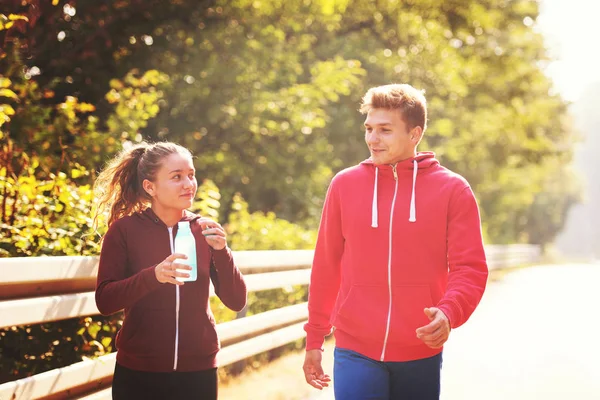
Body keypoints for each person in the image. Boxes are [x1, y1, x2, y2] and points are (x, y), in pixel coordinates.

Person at [302, 84, 488, 399]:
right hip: (355, 346)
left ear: (415, 134)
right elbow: (326, 265)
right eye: (369, 129)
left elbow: (469, 267)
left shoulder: (452, 190)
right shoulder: (345, 186)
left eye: (385, 130)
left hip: (420, 349)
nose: (372, 139)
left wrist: (448, 312)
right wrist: (314, 338)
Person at [93, 141, 247, 400]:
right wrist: (153, 276)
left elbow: (237, 301)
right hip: (139, 372)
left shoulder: (205, 230)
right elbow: (105, 300)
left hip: (198, 371)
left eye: (191, 175)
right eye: (176, 177)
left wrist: (222, 252)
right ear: (149, 187)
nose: (188, 184)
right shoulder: (124, 231)